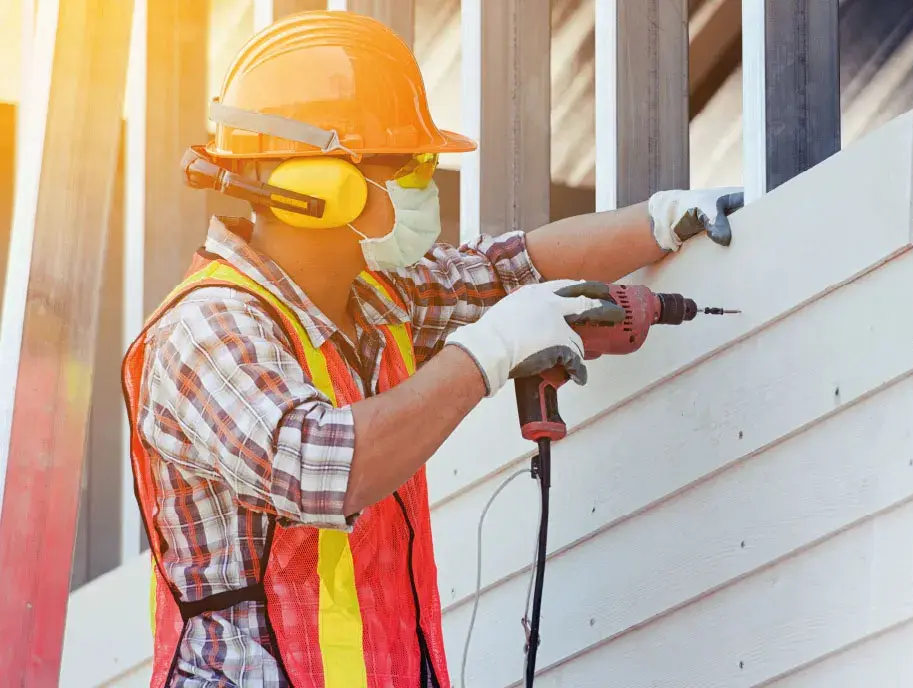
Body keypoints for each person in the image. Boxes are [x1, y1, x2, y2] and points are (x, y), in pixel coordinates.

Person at [121, 10, 743, 688]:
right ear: (317, 191)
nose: (427, 184)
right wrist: (489, 350)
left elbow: (510, 270)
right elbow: (326, 468)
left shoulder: (373, 298)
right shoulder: (207, 328)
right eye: (408, 165)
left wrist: (658, 223)